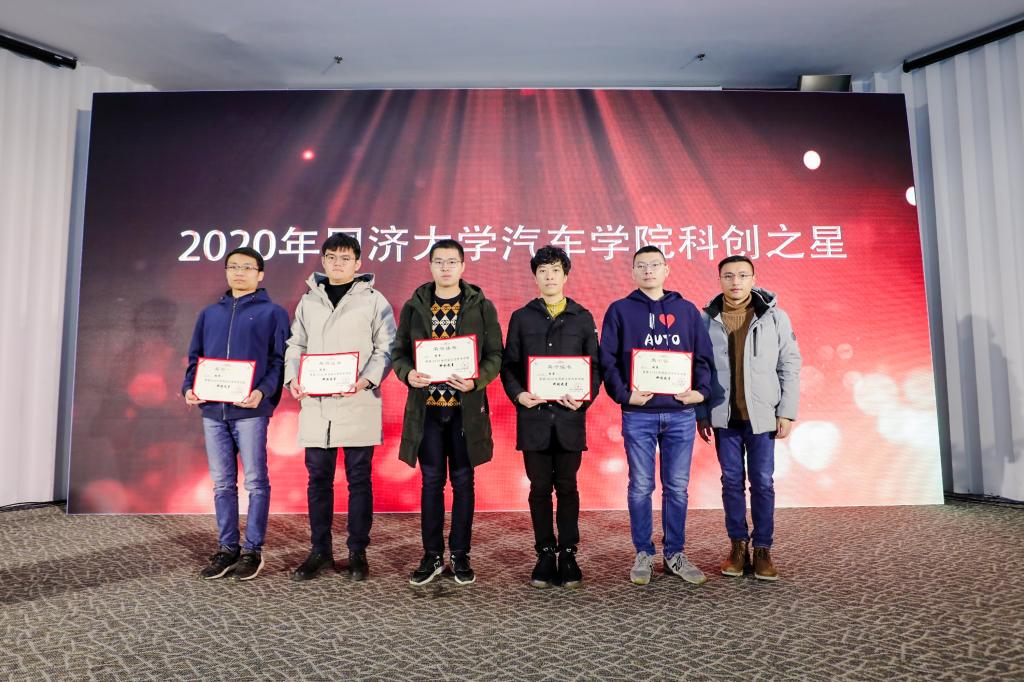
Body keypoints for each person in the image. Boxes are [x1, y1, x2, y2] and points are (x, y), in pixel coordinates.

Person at [599, 245, 714, 586]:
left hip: (680, 413)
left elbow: (703, 356)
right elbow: (607, 360)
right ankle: (644, 553)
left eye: (654, 265)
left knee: (677, 487)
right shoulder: (620, 310)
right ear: (633, 272)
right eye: (641, 266)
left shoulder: (686, 310)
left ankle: (675, 553)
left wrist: (701, 392)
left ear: (667, 270)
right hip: (639, 414)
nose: (648, 270)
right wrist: (624, 395)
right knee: (640, 486)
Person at [284, 233, 396, 582]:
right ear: (323, 260)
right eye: (331, 257)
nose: (337, 263)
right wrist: (293, 379)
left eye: (345, 258)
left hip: (357, 400)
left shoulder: (374, 300)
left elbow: (386, 346)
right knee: (318, 479)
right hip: (316, 404)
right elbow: (295, 344)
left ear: (358, 263)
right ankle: (319, 551)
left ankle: (357, 552)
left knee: (359, 480)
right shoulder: (309, 301)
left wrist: (366, 380)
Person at [391, 239, 503, 586]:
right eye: (439, 261)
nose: (445, 268)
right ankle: (432, 554)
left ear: (463, 266)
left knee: (464, 481)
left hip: (464, 412)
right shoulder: (415, 306)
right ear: (430, 266)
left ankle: (460, 553)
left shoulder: (481, 305)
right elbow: (399, 353)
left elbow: (496, 355)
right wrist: (407, 374)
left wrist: (477, 381)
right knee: (431, 482)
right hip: (427, 411)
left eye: (452, 262)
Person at [182, 246, 290, 581]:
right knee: (222, 484)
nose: (239, 272)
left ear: (260, 274)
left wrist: (263, 391)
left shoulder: (273, 313)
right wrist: (188, 388)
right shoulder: (209, 314)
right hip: (213, 411)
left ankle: (252, 550)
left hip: (250, 410)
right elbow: (195, 359)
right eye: (233, 266)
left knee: (256, 482)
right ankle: (227, 548)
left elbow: (279, 361)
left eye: (247, 267)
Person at [500, 245, 601, 589]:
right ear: (535, 276)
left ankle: (568, 553)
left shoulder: (582, 317)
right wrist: (519, 395)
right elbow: (509, 365)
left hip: (570, 420)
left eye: (555, 270)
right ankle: (544, 553)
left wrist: (583, 399)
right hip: (534, 419)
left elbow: (595, 368)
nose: (549, 276)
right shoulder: (521, 317)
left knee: (568, 487)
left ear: (565, 275)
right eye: (542, 271)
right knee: (539, 488)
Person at [697, 255, 801, 581]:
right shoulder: (706, 319)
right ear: (719, 280)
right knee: (731, 482)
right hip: (724, 416)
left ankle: (763, 549)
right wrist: (702, 413)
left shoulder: (774, 317)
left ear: (754, 279)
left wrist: (786, 412)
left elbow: (789, 364)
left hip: (763, 416)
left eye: (743, 275)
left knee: (763, 482)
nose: (736, 282)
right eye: (729, 276)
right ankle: (738, 546)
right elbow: (698, 368)